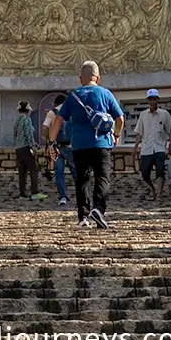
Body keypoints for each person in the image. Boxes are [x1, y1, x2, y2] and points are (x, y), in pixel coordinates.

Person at [57, 60, 124, 229]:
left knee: (82, 180)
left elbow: (58, 119)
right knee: (102, 177)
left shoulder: (73, 96)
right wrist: (116, 135)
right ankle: (99, 209)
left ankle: (83, 217)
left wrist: (52, 140)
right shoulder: (105, 93)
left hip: (79, 145)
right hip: (101, 143)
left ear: (80, 78)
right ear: (98, 78)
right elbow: (120, 119)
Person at [132, 89, 171, 201]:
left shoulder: (164, 114)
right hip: (146, 148)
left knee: (160, 172)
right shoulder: (143, 115)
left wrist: (170, 144)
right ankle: (153, 189)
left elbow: (169, 131)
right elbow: (139, 132)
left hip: (159, 148)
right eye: (150, 99)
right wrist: (135, 148)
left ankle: (159, 194)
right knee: (145, 173)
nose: (152, 101)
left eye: (154, 99)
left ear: (158, 100)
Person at [43, 93, 74, 206]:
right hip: (71, 146)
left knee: (59, 172)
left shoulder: (52, 113)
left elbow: (45, 128)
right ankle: (82, 194)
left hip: (56, 146)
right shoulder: (71, 111)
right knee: (75, 171)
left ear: (56, 103)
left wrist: (49, 138)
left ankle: (62, 197)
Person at [13, 100, 46, 200]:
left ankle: (22, 193)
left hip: (18, 148)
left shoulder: (16, 121)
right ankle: (34, 192)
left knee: (22, 171)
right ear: (27, 110)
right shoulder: (27, 120)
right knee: (33, 169)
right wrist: (33, 146)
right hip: (26, 148)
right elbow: (28, 134)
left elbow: (15, 135)